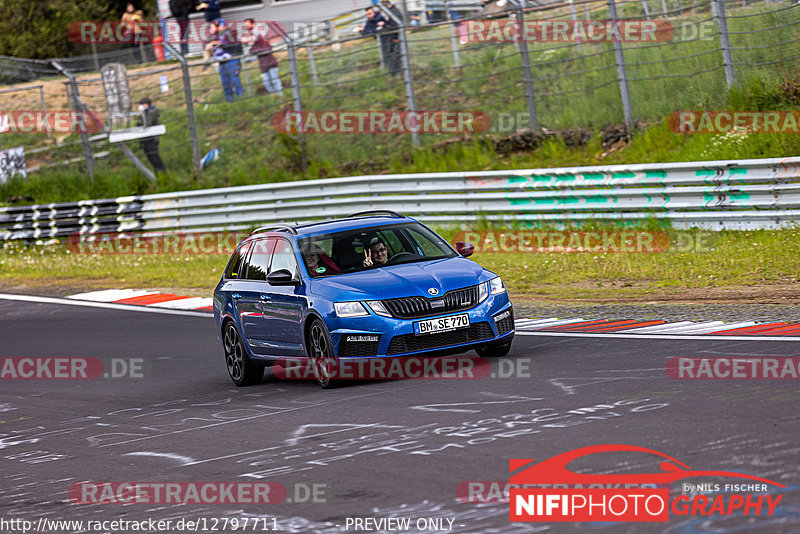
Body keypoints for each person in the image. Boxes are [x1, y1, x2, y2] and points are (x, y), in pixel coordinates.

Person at [243, 18, 283, 96]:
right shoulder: (254, 44)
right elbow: (251, 51)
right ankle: (273, 96)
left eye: (247, 24)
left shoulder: (263, 39)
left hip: (271, 63)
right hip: (263, 65)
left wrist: (254, 42)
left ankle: (280, 95)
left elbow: (267, 47)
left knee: (275, 80)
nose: (246, 26)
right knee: (266, 82)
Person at [214, 19, 244, 102]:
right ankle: (230, 101)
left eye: (219, 26)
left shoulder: (232, 33)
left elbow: (235, 45)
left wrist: (222, 44)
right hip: (222, 62)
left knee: (235, 80)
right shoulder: (216, 36)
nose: (218, 28)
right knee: (225, 83)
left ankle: (241, 100)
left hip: (232, 60)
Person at [135, 98, 167, 173]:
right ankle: (158, 174)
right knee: (151, 158)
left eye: (141, 104)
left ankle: (163, 173)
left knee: (155, 158)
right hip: (145, 139)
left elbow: (147, 123)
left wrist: (140, 118)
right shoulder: (144, 113)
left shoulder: (151, 112)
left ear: (146, 104)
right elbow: (139, 124)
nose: (140, 106)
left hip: (152, 139)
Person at [378, 0, 403, 76]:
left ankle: (395, 74)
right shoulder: (391, 12)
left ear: (387, 4)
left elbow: (395, 27)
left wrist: (384, 25)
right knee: (391, 57)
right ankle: (393, 74)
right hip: (392, 38)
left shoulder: (395, 13)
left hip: (396, 38)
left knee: (394, 58)